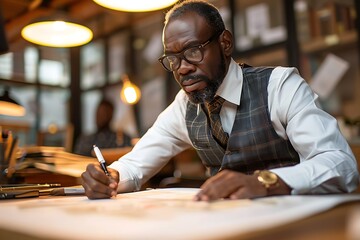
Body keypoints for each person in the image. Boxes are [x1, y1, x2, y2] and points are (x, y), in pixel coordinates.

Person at [81, 0, 359, 200]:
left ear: (225, 43)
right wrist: (111, 177)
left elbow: (341, 163)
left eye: (192, 51)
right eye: (172, 58)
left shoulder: (279, 86)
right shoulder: (183, 106)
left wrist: (265, 182)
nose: (182, 68)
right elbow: (135, 164)